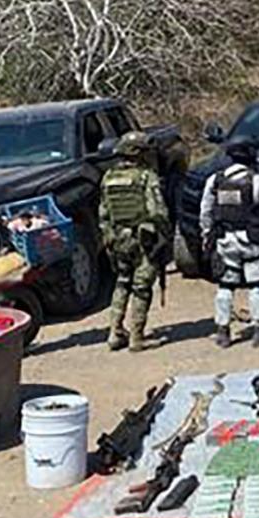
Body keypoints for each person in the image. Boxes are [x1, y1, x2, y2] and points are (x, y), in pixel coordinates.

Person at [200, 135, 259, 348]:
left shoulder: (215, 180)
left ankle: (223, 332)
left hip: (225, 240)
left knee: (225, 286)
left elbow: (205, 212)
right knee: (257, 286)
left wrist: (206, 235)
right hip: (253, 241)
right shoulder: (258, 181)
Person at [99, 131, 171, 352]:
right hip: (142, 240)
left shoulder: (108, 177)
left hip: (117, 239)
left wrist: (109, 238)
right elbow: (157, 210)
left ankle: (114, 333)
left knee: (122, 282)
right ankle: (137, 337)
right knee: (141, 287)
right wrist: (164, 235)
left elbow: (103, 213)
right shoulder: (146, 176)